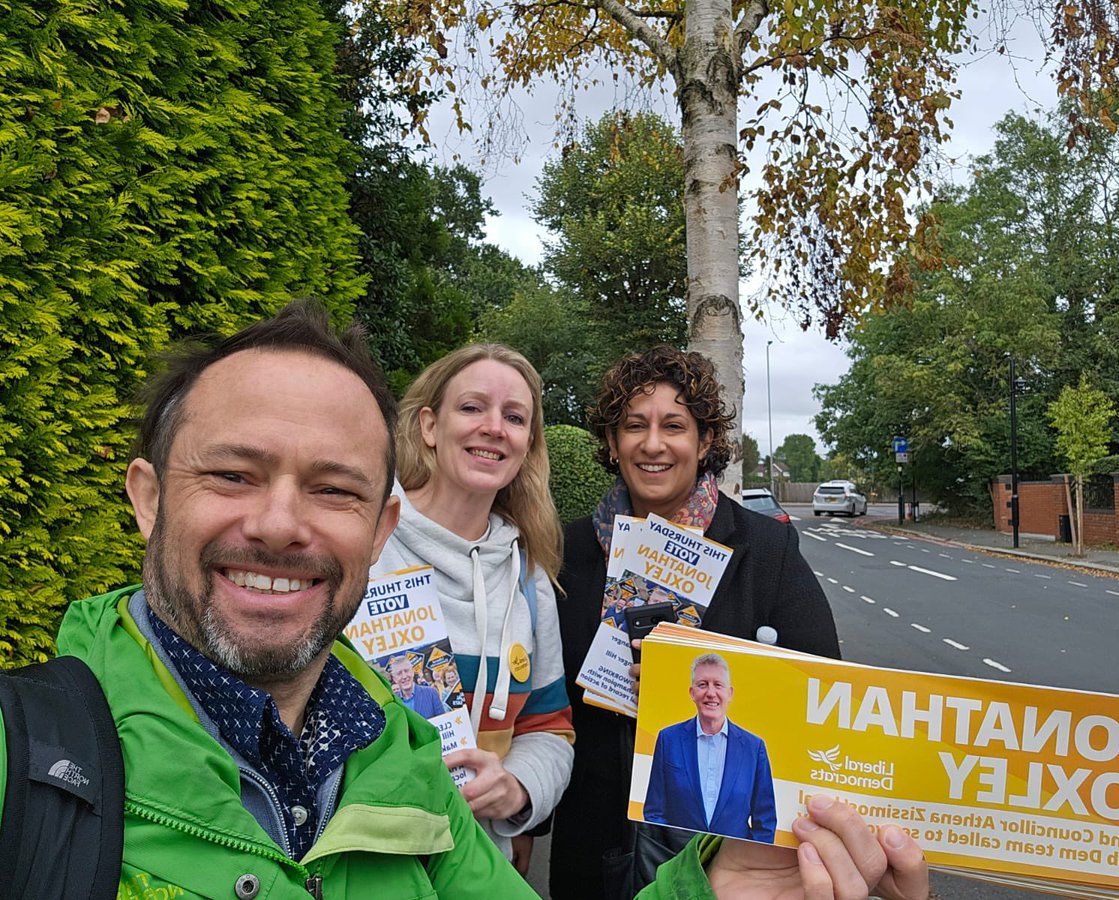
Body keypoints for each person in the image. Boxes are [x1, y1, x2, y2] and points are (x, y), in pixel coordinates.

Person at [0, 302, 930, 900]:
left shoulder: (414, 740)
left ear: (371, 520)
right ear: (147, 495)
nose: (283, 525)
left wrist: (716, 884)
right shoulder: (32, 759)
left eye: (331, 489)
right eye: (234, 474)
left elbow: (551, 723)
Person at [550, 345, 843, 899]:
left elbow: (821, 687)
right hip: (593, 839)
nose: (653, 443)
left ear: (705, 441)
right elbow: (546, 699)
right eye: (634, 425)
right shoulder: (569, 550)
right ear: (613, 445)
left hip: (723, 849)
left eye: (675, 426)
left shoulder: (766, 548)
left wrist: (695, 684)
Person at [369, 344, 574, 870]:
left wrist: (518, 790)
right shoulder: (364, 542)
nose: (494, 427)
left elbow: (548, 728)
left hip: (476, 866)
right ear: (429, 426)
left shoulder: (529, 577)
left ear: (527, 444)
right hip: (360, 860)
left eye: (514, 417)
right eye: (472, 408)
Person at [643, 653, 776, 843]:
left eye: (718, 685)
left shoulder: (754, 748)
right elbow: (654, 812)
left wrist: (748, 865)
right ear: (692, 692)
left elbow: (765, 821)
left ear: (730, 693)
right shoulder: (668, 739)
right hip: (679, 861)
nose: (711, 693)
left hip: (733, 865)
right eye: (702, 684)